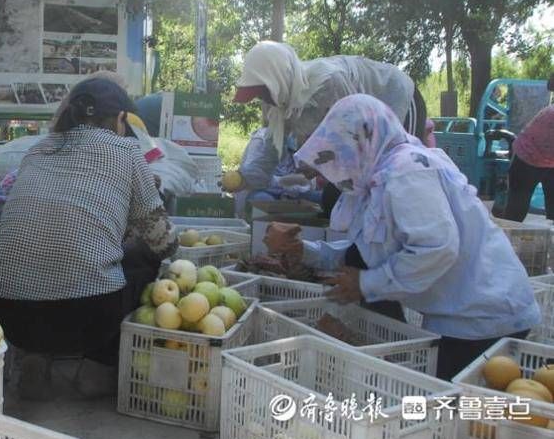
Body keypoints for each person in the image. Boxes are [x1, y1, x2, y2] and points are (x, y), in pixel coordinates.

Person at [264, 94, 540, 381]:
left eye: (343, 153)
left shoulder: (406, 173)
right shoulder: (381, 176)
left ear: (360, 143)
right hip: (463, 315)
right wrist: (304, 250)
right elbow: (365, 250)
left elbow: (437, 248)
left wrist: (366, 284)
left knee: (448, 408)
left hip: (485, 318)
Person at [0, 78, 174, 400]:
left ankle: (35, 355)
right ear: (120, 119)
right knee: (145, 259)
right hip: (88, 317)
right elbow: (162, 241)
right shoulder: (127, 151)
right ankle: (97, 368)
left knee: (51, 256)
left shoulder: (37, 150)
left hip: (8, 314)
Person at [232, 41, 427, 216]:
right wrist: (245, 178)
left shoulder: (328, 83)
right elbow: (269, 151)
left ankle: (407, 235)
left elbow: (357, 134)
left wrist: (317, 164)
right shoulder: (278, 102)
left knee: (393, 173)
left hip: (395, 98)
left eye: (263, 90)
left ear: (276, 78)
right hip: (361, 132)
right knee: (337, 199)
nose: (262, 98)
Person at [503, 96, 554, 221]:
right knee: (516, 210)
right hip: (526, 158)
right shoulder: (551, 114)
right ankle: (507, 238)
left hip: (548, 160)